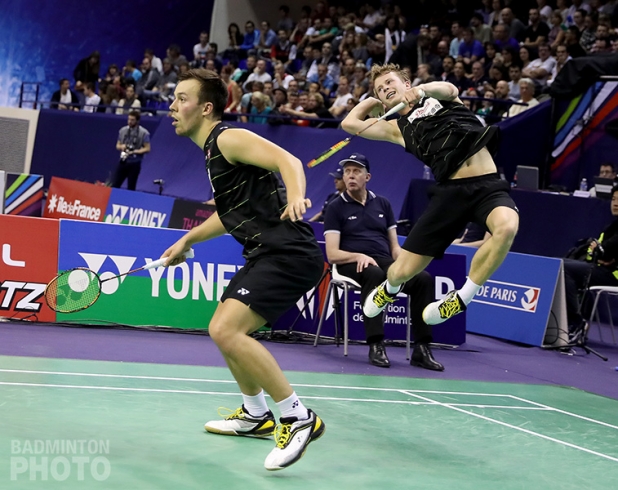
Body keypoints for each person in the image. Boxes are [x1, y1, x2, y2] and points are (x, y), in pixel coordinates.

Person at [163, 68, 325, 471]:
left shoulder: (227, 137)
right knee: (220, 328)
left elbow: (289, 160)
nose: (173, 106)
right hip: (264, 253)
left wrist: (297, 196)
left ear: (206, 108)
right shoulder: (212, 153)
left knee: (226, 330)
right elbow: (229, 213)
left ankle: (297, 416)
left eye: (182, 98)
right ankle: (255, 414)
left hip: (288, 253)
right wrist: (188, 240)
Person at [341, 63, 519, 325]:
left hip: (487, 185)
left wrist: (422, 90)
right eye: (380, 88)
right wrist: (373, 101)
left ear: (407, 84)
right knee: (400, 272)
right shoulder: (397, 129)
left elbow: (449, 88)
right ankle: (388, 290)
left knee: (507, 227)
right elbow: (349, 123)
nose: (385, 88)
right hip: (449, 195)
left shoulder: (440, 97)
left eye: (390, 82)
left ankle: (461, 299)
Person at [324, 154, 444, 370]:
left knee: (423, 279)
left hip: (382, 259)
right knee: (375, 274)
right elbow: (332, 254)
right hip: (350, 262)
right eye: (347, 171)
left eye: (356, 171)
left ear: (367, 177)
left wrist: (409, 264)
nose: (350, 176)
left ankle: (422, 348)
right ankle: (376, 344)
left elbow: (395, 248)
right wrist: (358, 256)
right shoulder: (335, 207)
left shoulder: (383, 204)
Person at [564, 186, 618, 338]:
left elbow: (604, 249)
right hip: (602, 270)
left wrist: (605, 254)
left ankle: (576, 323)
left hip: (613, 276)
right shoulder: (611, 227)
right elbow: (594, 252)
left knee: (563, 267)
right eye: (613, 199)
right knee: (559, 266)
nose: (615, 203)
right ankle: (563, 322)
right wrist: (599, 253)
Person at [112, 111, 151, 190]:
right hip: (123, 161)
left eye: (132, 120)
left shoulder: (144, 133)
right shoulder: (122, 130)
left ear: (137, 121)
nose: (130, 121)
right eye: (129, 119)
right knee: (115, 184)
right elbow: (117, 145)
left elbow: (147, 148)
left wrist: (135, 151)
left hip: (135, 163)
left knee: (131, 187)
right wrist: (122, 146)